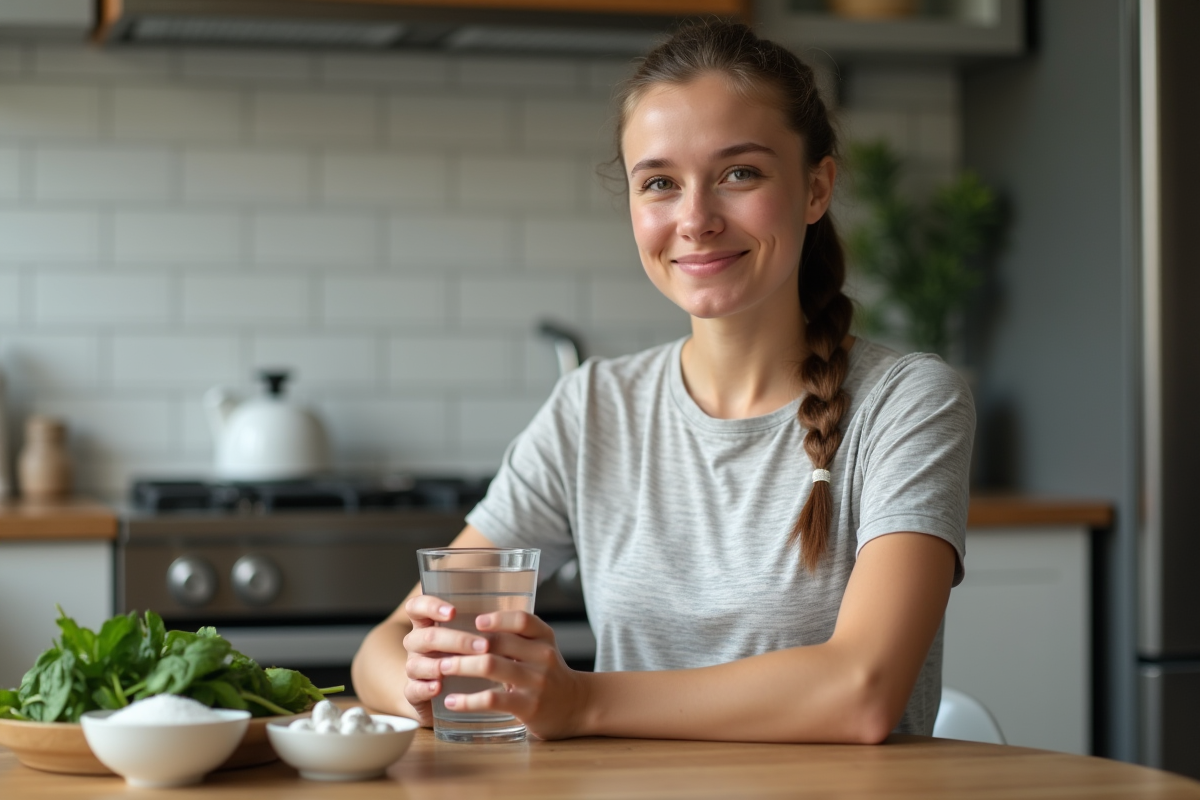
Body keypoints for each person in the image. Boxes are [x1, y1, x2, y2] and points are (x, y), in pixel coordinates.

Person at [352, 20, 974, 744]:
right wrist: (418, 676)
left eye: (739, 173)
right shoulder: (593, 407)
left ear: (816, 187)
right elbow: (388, 641)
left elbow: (861, 691)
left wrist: (581, 703)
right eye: (660, 183)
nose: (696, 218)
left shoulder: (908, 403)